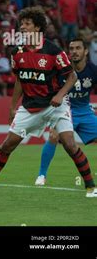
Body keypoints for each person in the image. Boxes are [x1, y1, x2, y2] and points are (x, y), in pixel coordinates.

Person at [0, 7, 97, 199]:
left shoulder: (53, 50)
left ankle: (90, 187)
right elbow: (20, 80)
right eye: (21, 24)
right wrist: (12, 106)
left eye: (27, 24)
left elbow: (72, 76)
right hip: (30, 107)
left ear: (38, 27)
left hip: (55, 107)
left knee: (69, 144)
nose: (23, 27)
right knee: (7, 146)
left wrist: (60, 95)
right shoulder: (16, 52)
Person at [35, 38, 97, 185]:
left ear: (86, 51)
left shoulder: (93, 70)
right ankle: (41, 175)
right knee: (54, 136)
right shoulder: (61, 70)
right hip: (65, 110)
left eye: (78, 48)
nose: (74, 52)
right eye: (71, 49)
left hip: (84, 111)